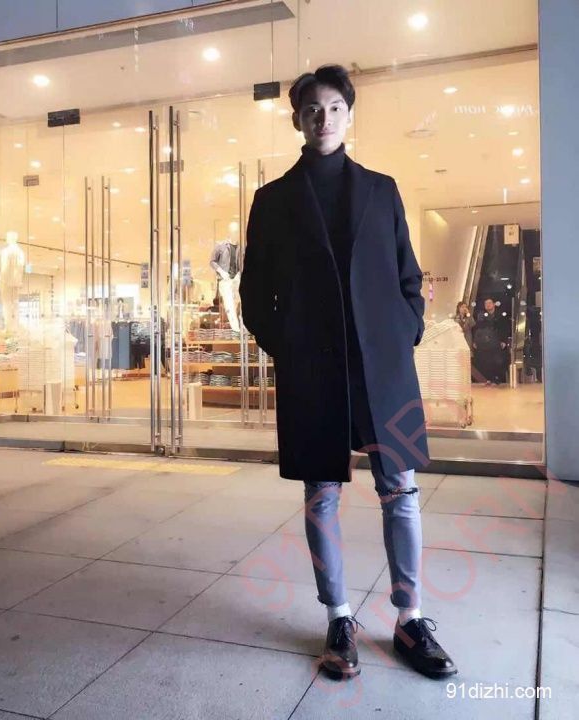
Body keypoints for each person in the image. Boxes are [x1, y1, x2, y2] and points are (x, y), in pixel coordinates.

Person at [239, 64, 456, 681]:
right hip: (314, 369)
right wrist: (289, 347)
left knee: (401, 490)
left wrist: (403, 331)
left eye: (335, 107)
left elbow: (408, 275)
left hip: (382, 365)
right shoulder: (273, 200)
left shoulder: (382, 190)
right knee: (321, 494)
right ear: (298, 119)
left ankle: (411, 618)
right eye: (313, 109)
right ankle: (339, 617)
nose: (324, 118)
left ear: (349, 115)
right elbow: (255, 295)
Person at [473, 298, 507, 385]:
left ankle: (498, 379)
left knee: (497, 361)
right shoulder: (482, 316)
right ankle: (488, 379)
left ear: (494, 304)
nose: (488, 305)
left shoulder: (500, 315)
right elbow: (477, 329)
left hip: (497, 341)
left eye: (489, 303)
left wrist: (504, 340)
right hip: (485, 342)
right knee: (486, 361)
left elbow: (504, 329)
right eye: (486, 304)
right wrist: (475, 341)